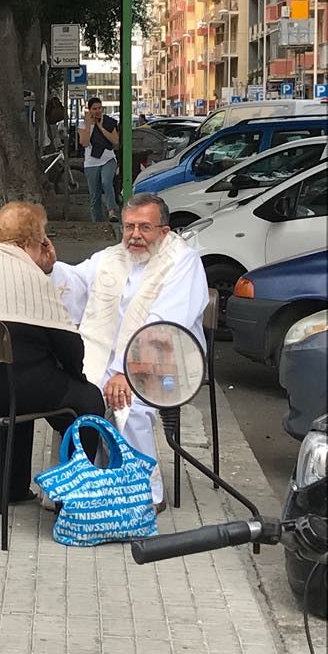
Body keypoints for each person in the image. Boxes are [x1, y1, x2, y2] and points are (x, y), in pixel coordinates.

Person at [50, 193, 208, 510]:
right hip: (110, 358)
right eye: (129, 227)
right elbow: (77, 282)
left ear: (164, 231)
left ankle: (144, 493)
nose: (134, 235)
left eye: (144, 228)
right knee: (80, 395)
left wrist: (127, 371)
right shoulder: (112, 258)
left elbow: (163, 325)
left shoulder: (183, 261)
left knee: (128, 405)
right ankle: (88, 484)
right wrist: (49, 267)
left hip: (167, 361)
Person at [0, 202, 104, 505]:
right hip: (5, 395)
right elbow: (71, 348)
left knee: (14, 373)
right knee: (87, 400)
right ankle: (70, 502)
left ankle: (5, 488)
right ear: (33, 242)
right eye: (43, 239)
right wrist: (76, 378)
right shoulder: (32, 278)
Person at [78, 97, 120, 223]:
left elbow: (115, 140)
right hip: (91, 163)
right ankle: (97, 222)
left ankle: (112, 211)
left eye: (99, 108)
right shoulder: (83, 124)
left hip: (108, 159)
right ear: (89, 110)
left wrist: (101, 127)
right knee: (94, 195)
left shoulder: (108, 121)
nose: (97, 111)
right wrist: (90, 126)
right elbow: (84, 143)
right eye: (94, 109)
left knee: (106, 182)